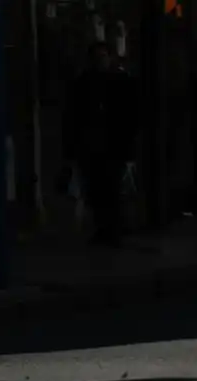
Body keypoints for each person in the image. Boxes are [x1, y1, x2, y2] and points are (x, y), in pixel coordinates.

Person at [61, 41, 138, 247]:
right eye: (97, 58)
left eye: (103, 57)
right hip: (93, 146)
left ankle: (112, 229)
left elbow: (129, 117)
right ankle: (105, 228)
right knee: (97, 190)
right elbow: (73, 117)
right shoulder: (84, 84)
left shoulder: (118, 82)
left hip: (110, 145)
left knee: (111, 189)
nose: (100, 62)